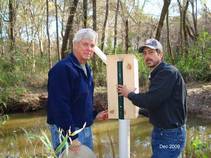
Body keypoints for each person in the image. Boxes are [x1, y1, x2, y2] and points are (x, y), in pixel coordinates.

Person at [117, 38, 187, 158]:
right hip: (165, 133)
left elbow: (150, 100)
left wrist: (129, 94)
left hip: (170, 136)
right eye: (144, 53)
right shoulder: (159, 73)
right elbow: (161, 105)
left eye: (151, 52)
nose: (147, 56)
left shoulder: (167, 73)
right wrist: (140, 111)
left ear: (160, 54)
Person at [47, 28, 108, 156]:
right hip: (68, 133)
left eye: (92, 45)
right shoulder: (62, 69)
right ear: (75, 45)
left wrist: (94, 115)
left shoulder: (87, 69)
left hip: (85, 129)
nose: (89, 48)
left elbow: (83, 100)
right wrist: (71, 137)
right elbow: (59, 106)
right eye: (85, 44)